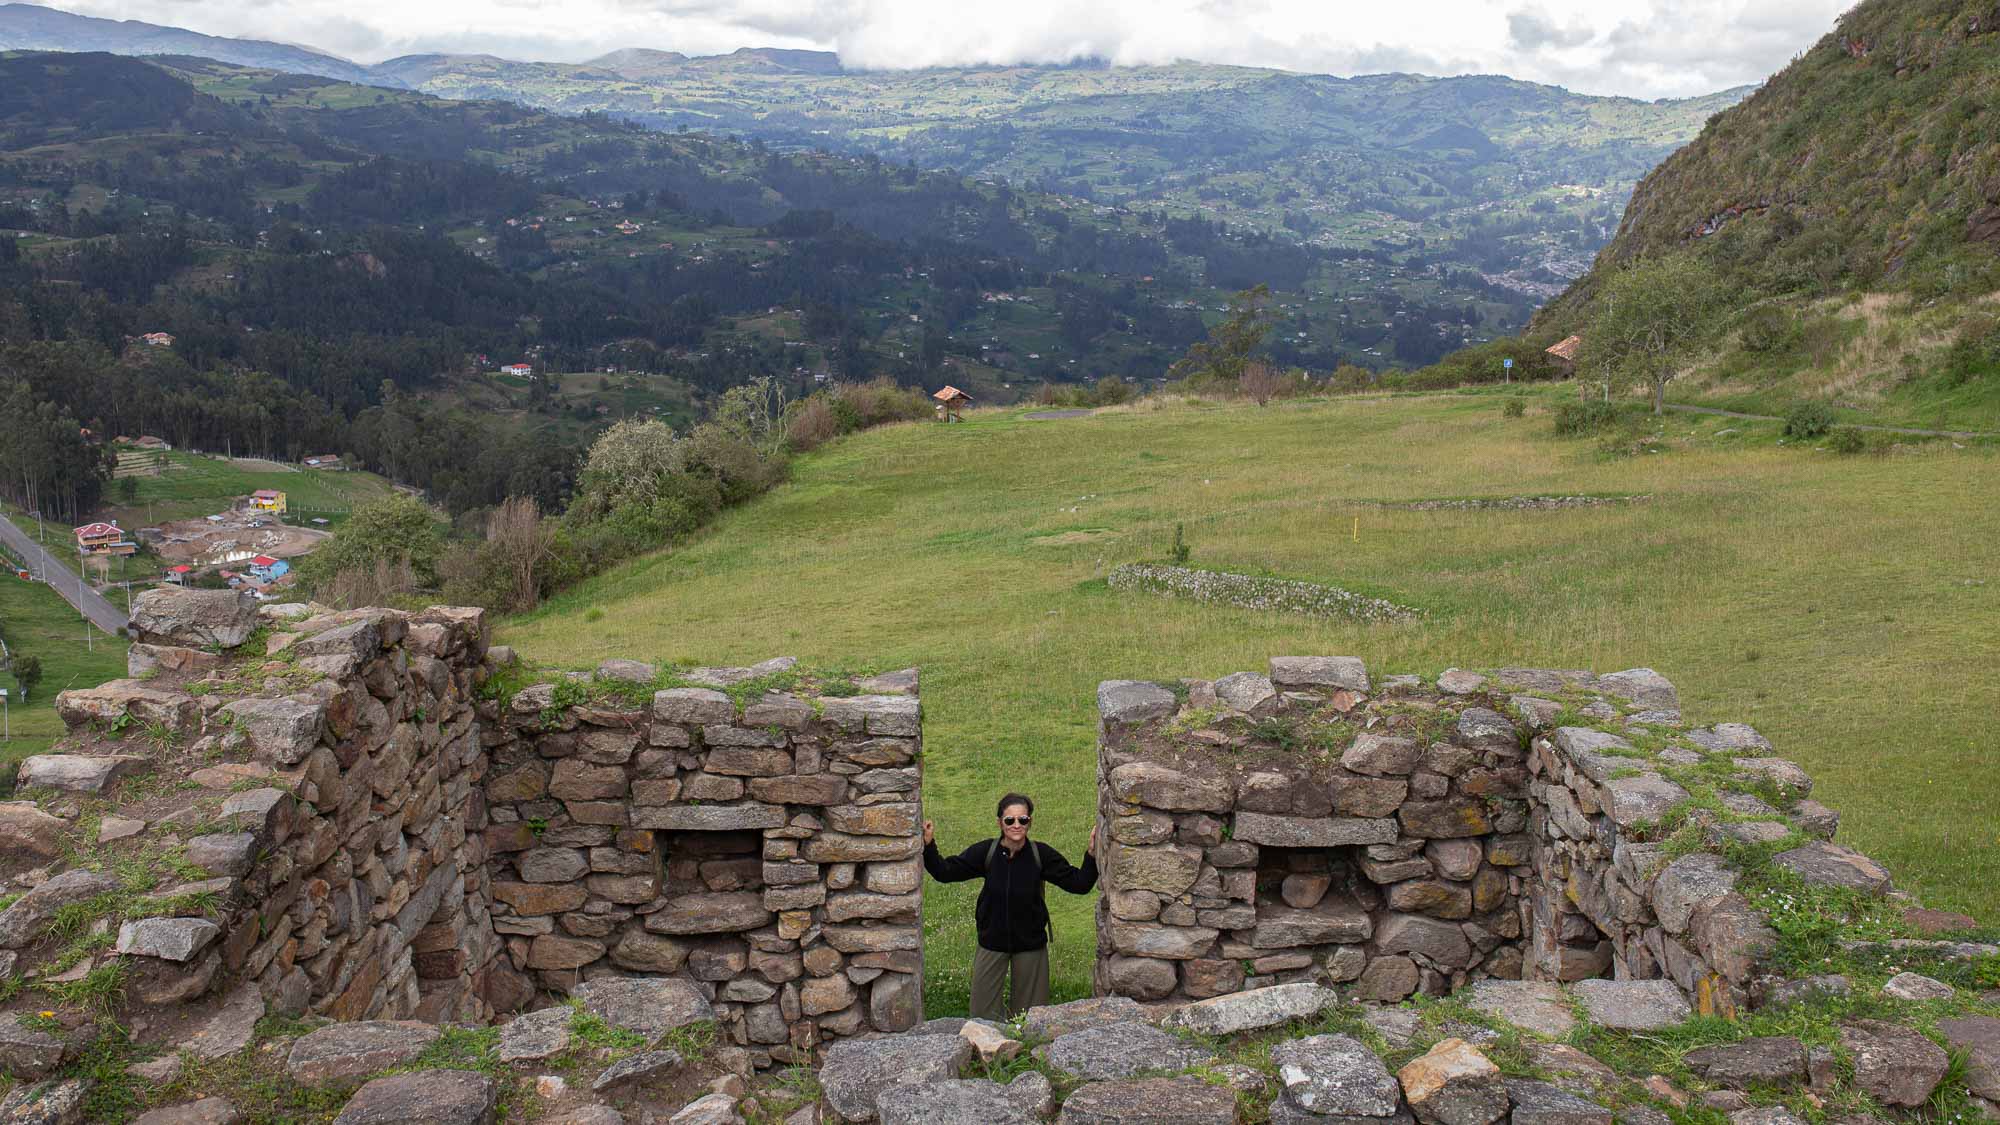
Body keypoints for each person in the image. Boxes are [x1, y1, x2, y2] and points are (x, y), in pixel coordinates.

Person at [922, 792, 1098, 1020]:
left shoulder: (1040, 855)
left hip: (1030, 946)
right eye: (1010, 820)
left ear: (1030, 821)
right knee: (982, 1017)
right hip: (991, 943)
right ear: (1000, 823)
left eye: (1023, 820)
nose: (1017, 825)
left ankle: (1027, 1053)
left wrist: (1092, 855)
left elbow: (1079, 883)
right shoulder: (987, 852)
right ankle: (993, 1053)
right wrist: (928, 845)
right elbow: (945, 872)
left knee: (1030, 1018)